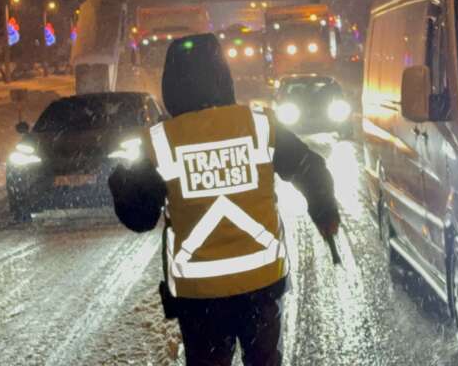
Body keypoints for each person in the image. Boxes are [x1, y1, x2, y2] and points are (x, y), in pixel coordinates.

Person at [109, 33, 340, 366]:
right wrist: (324, 212)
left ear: (171, 84)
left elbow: (139, 217)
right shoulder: (259, 126)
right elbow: (310, 168)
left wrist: (121, 182)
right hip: (262, 286)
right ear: (223, 77)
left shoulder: (162, 142)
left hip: (200, 297)